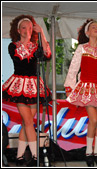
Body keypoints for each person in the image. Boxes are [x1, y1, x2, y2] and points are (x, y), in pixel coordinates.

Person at [64, 19, 97, 167]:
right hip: (86, 87)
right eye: (93, 27)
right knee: (93, 120)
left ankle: (96, 152)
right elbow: (74, 68)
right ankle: (89, 151)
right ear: (87, 32)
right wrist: (71, 86)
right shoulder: (82, 48)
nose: (96, 29)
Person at [2, 15, 51, 166]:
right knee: (29, 121)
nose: (27, 30)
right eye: (23, 27)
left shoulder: (37, 46)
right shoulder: (13, 46)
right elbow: (20, 60)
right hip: (19, 86)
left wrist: (42, 32)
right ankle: (36, 157)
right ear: (18, 30)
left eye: (29, 28)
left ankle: (19, 156)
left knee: (26, 123)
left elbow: (47, 54)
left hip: (35, 86)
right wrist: (29, 44)